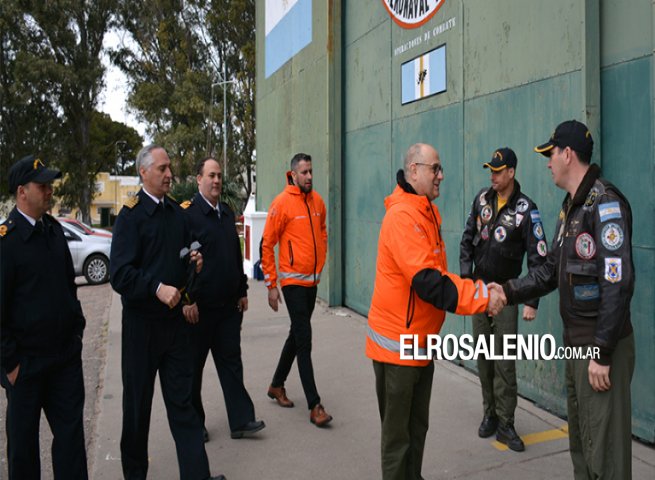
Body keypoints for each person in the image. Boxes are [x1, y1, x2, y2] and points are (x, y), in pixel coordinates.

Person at [496, 120, 635, 479]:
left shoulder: (605, 203)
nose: (547, 162)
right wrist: (507, 291)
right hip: (577, 345)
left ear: (568, 154)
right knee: (583, 446)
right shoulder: (571, 207)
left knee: (605, 453)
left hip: (600, 349)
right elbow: (549, 270)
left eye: (551, 154)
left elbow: (617, 284)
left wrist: (602, 352)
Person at [367, 143, 503, 480]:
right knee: (398, 439)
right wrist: (483, 296)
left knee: (417, 427)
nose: (441, 175)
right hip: (397, 349)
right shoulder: (403, 217)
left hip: (419, 345)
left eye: (440, 169)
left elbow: (439, 275)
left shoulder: (424, 211)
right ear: (414, 170)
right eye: (435, 169)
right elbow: (429, 283)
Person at [110, 145, 225, 480]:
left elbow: (188, 253)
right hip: (141, 329)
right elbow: (119, 273)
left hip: (174, 329)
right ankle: (135, 475)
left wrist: (195, 265)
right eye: (162, 168)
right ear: (144, 172)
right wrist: (155, 287)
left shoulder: (177, 213)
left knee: (183, 406)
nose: (169, 174)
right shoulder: (130, 217)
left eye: (169, 168)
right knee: (137, 410)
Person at [0, 155, 88, 480]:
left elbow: (68, 285)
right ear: (22, 192)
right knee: (23, 450)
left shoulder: (53, 230)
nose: (50, 190)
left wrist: (76, 330)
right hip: (26, 365)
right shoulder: (6, 242)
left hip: (64, 358)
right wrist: (10, 363)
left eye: (50, 184)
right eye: (43, 185)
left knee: (71, 442)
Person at [459, 147, 547, 451]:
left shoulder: (526, 210)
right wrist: (466, 281)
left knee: (504, 361)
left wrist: (531, 302)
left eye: (498, 171)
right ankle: (490, 415)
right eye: (491, 170)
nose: (493, 176)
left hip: (507, 295)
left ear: (511, 172)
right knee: (484, 356)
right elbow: (467, 240)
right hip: (480, 294)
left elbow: (539, 259)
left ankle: (507, 424)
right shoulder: (482, 200)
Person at [181, 157, 265, 441]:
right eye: (211, 176)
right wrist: (186, 300)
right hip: (199, 310)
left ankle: (241, 420)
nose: (216, 181)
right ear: (199, 179)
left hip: (228, 309)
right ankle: (195, 424)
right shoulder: (188, 216)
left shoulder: (227, 213)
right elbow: (179, 264)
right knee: (192, 371)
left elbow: (234, 254)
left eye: (219, 176)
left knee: (232, 365)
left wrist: (242, 290)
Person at [261, 152, 332, 427]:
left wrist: (322, 256)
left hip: (311, 282)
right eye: (304, 172)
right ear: (293, 174)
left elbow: (322, 231)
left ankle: (277, 385)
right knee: (305, 339)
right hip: (291, 284)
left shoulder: (318, 203)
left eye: (311, 171)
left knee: (296, 335)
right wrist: (271, 285)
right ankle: (315, 405)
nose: (309, 177)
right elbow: (267, 244)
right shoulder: (282, 204)